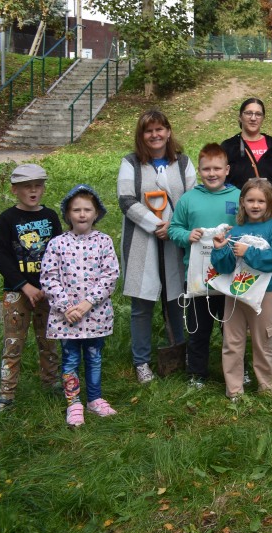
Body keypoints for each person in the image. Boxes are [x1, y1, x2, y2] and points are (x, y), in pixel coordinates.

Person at [118, 109, 194, 384]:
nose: (155, 135)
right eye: (149, 131)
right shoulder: (131, 163)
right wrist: (155, 224)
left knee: (176, 300)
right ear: (142, 136)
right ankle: (141, 362)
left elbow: (191, 197)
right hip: (141, 241)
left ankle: (180, 353)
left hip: (175, 241)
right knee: (142, 303)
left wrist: (172, 226)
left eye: (160, 129)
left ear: (169, 132)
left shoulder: (183, 162)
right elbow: (126, 200)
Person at [40, 184, 120, 426]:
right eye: (76, 210)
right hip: (68, 318)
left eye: (87, 209)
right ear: (67, 214)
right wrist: (66, 306)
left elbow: (110, 275)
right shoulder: (57, 244)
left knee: (94, 357)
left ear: (96, 213)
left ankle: (94, 399)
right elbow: (48, 277)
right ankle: (73, 402)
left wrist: (87, 303)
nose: (82, 214)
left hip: (95, 314)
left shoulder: (104, 242)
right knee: (71, 359)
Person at [168, 142, 240, 389]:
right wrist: (187, 236)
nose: (212, 173)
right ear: (199, 171)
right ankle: (197, 373)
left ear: (227, 169)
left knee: (232, 328)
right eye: (207, 169)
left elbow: (248, 227)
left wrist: (237, 233)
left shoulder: (238, 196)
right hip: (198, 275)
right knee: (198, 327)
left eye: (217, 168)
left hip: (230, 272)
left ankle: (237, 370)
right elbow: (174, 228)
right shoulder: (189, 200)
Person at [0, 163, 62, 413]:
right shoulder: (8, 218)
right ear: (14, 190)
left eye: (37, 186)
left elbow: (58, 253)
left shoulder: (51, 216)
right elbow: (2, 257)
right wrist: (24, 286)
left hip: (46, 291)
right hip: (16, 292)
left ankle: (51, 381)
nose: (33, 191)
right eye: (26, 187)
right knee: (13, 342)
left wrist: (49, 284)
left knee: (48, 339)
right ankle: (6, 393)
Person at [211, 177, 272, 398]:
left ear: (269, 203)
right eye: (251, 200)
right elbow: (225, 267)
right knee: (232, 341)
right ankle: (234, 390)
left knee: (262, 341)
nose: (255, 206)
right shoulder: (236, 230)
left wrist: (249, 252)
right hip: (235, 293)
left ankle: (266, 388)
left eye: (261, 201)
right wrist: (219, 249)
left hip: (264, 293)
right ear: (242, 202)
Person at [222, 98, 272, 201]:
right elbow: (221, 177)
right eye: (248, 113)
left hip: (271, 208)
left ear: (263, 118)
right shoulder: (228, 146)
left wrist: (270, 196)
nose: (253, 118)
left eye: (258, 114)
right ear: (240, 117)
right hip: (238, 208)